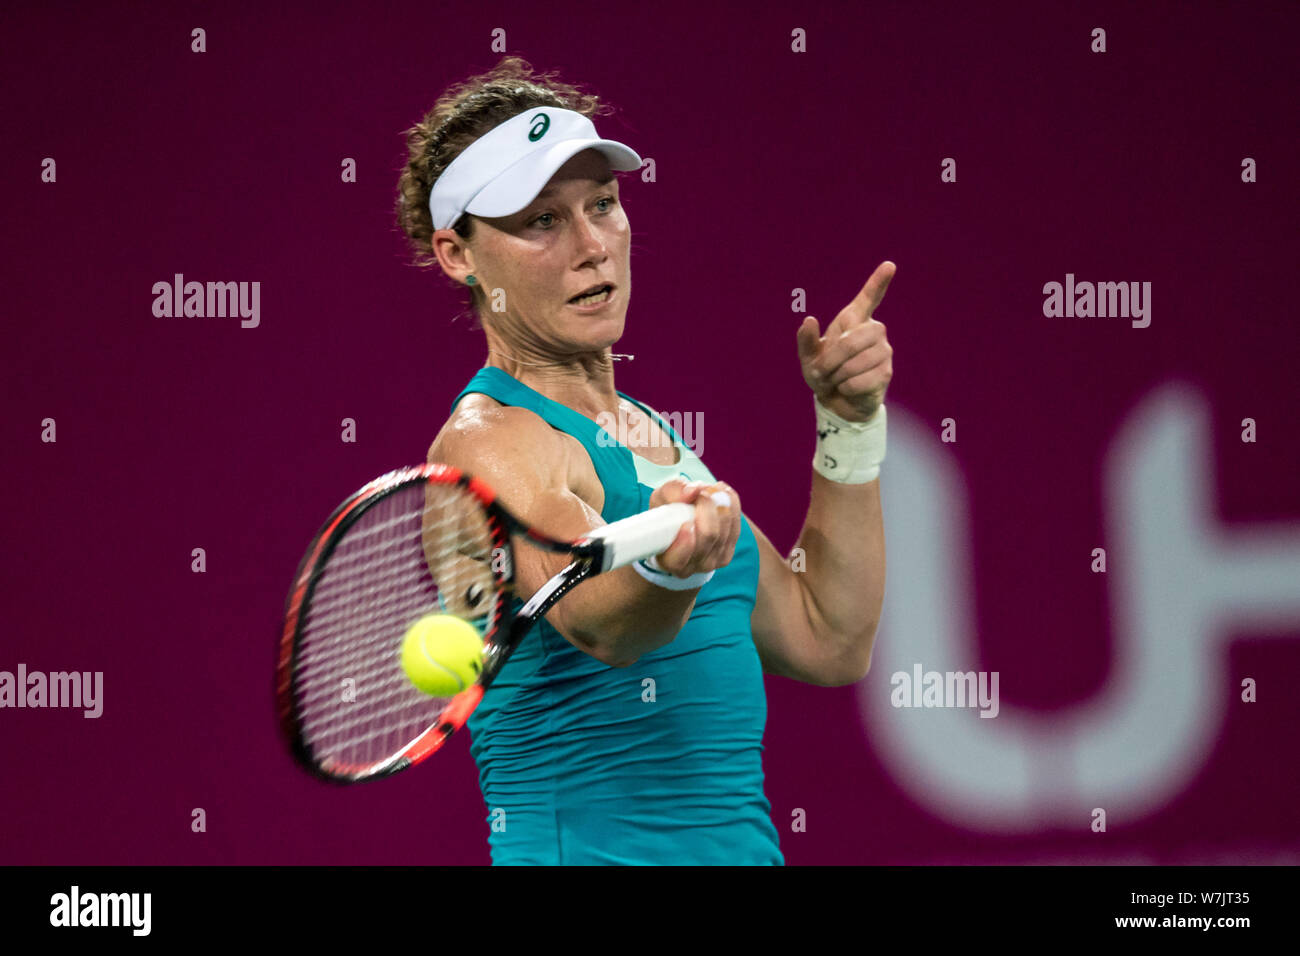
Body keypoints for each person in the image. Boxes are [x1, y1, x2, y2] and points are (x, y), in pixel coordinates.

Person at [395, 57, 893, 865]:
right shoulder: (490, 439)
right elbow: (599, 626)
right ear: (458, 255)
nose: (593, 245)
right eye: (542, 222)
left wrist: (847, 425)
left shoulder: (647, 432)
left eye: (602, 205)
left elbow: (828, 634)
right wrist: (674, 570)